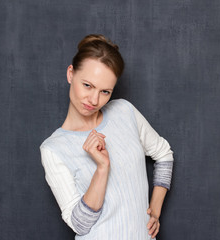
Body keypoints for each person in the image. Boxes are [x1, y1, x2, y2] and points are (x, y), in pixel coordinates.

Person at [40, 34, 174, 240]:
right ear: (70, 74)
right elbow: (79, 225)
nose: (94, 100)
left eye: (105, 91)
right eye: (87, 85)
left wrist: (154, 210)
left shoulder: (125, 111)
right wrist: (102, 169)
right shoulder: (53, 149)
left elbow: (163, 154)